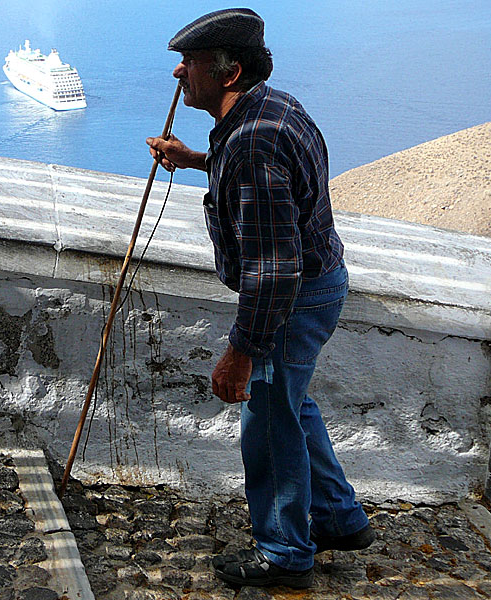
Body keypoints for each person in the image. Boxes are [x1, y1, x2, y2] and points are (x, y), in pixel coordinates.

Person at [146, 8, 375, 589]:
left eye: (190, 62)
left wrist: (240, 352)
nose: (179, 73)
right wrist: (197, 159)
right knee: (291, 406)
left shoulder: (251, 142)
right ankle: (340, 519)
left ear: (229, 73)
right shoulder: (273, 108)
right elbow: (275, 183)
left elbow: (274, 270)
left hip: (291, 299)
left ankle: (285, 553)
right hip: (321, 286)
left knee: (268, 423)